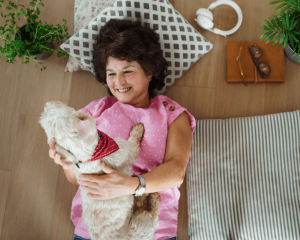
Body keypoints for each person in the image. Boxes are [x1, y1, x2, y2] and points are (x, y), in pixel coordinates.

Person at [49, 19, 196, 240]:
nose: (119, 81)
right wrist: (68, 163)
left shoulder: (172, 113)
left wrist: (131, 185)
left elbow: (176, 172)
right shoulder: (94, 111)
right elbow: (77, 179)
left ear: (149, 72)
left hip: (152, 229)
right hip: (98, 227)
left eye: (128, 71)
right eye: (111, 73)